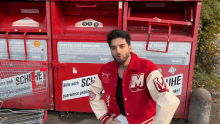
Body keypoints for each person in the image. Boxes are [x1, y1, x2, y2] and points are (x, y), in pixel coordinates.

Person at [89, 29, 180, 124]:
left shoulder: (146, 67)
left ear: (130, 48)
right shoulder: (105, 70)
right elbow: (93, 93)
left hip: (144, 121)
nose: (118, 51)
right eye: (113, 48)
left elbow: (169, 100)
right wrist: (105, 117)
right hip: (117, 120)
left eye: (122, 46)